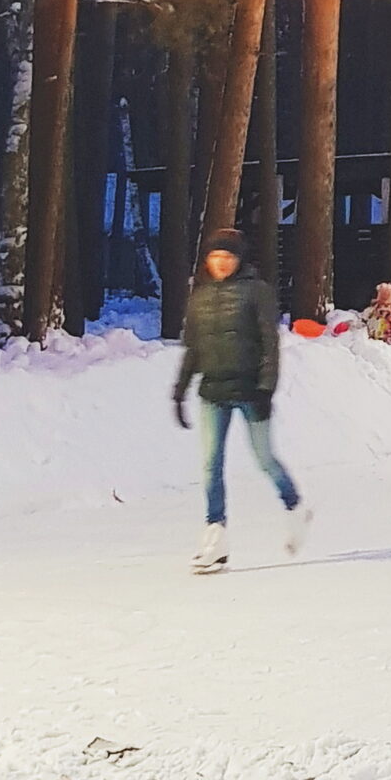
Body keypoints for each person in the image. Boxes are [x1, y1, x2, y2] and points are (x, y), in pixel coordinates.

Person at [172, 229, 310, 573]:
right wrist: (180, 391)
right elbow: (193, 349)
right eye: (215, 257)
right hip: (213, 392)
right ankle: (215, 535)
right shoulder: (199, 297)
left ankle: (295, 507)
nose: (221, 263)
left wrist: (267, 388)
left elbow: (270, 343)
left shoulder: (257, 292)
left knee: (264, 459)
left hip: (251, 390)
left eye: (228, 257)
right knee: (210, 464)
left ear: (239, 260)